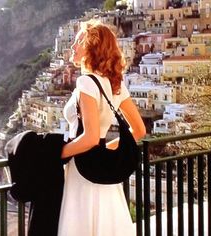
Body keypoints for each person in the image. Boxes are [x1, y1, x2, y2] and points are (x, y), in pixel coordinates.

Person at [58, 20, 146, 236]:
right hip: (103, 172)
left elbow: (88, 138)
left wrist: (57, 154)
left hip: (83, 171)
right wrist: (104, 148)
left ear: (91, 47)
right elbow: (139, 130)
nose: (72, 47)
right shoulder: (115, 84)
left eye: (78, 42)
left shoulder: (86, 83)